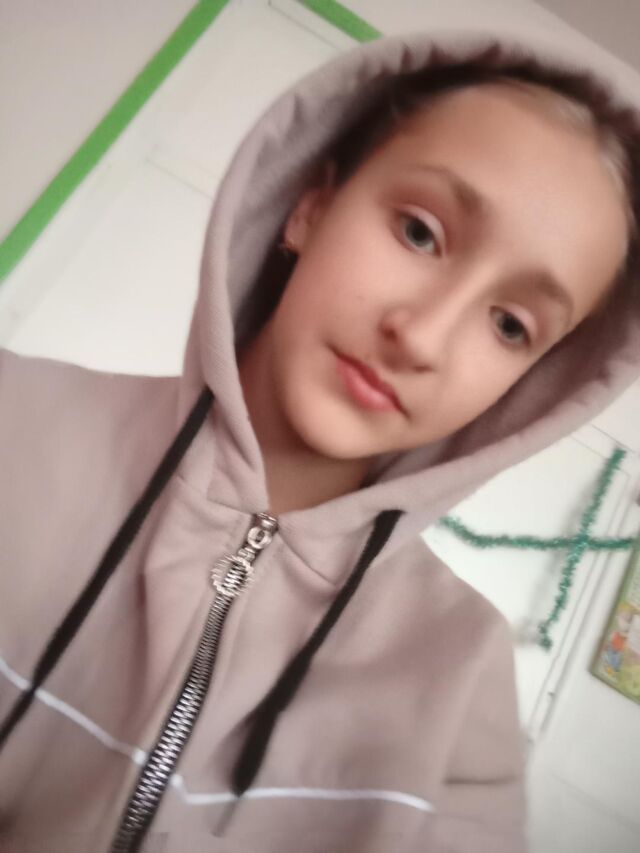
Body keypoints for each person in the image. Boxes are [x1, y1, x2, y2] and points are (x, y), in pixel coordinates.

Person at [0, 26, 639, 853]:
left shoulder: (460, 681)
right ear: (311, 206)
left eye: (511, 324)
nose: (423, 336)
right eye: (419, 231)